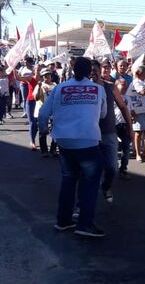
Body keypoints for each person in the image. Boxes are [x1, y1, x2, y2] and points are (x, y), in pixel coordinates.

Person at [39, 56, 107, 238]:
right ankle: (85, 224)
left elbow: (43, 112)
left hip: (64, 142)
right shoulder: (98, 89)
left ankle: (63, 220)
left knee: (68, 180)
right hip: (88, 140)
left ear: (72, 69)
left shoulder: (60, 88)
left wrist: (43, 130)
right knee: (90, 184)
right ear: (90, 72)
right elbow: (103, 114)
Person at [91, 59, 132, 203]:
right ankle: (82, 205)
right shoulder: (85, 88)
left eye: (95, 71)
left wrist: (130, 128)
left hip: (109, 133)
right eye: (90, 72)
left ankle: (106, 186)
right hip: (90, 135)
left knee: (112, 167)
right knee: (90, 171)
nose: (93, 75)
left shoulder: (110, 87)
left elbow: (123, 107)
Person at [34, 68, 58, 157]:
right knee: (43, 131)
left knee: (55, 130)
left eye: (48, 75)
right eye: (44, 75)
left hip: (53, 111)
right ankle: (44, 150)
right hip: (42, 110)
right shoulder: (39, 85)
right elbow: (35, 98)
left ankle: (53, 149)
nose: (47, 77)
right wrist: (39, 87)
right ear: (42, 77)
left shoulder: (55, 85)